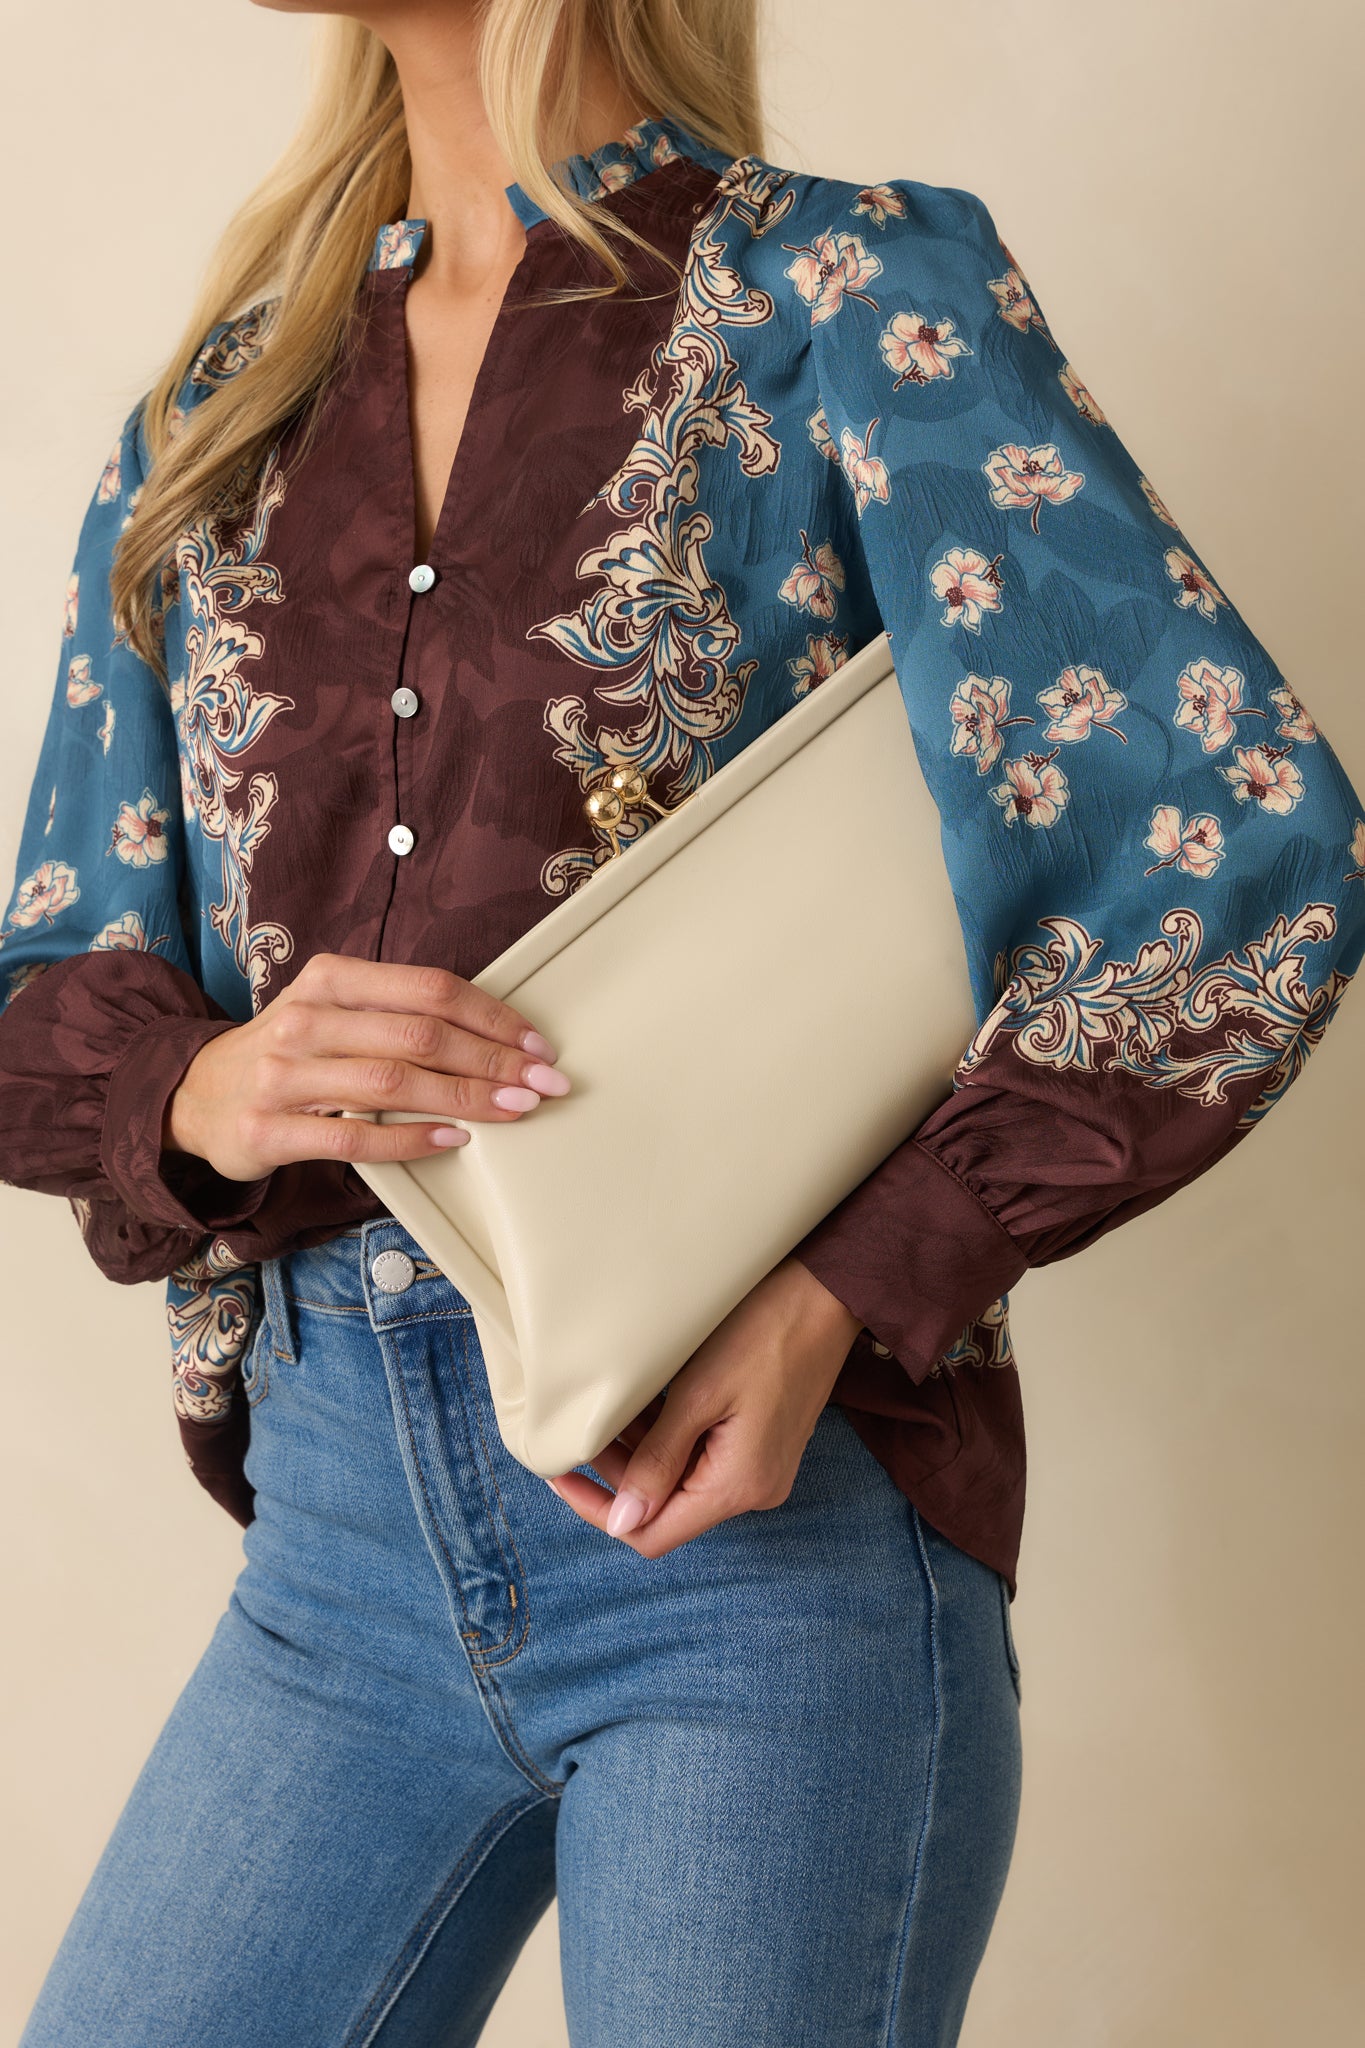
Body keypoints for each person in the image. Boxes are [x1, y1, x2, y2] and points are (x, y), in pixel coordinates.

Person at [5, 1, 1363, 2041]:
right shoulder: (226, 411)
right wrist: (203, 1078)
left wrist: (844, 1289)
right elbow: (45, 1006)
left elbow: (1233, 849)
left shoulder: (850, 294)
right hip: (333, 1542)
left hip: (762, 1549)